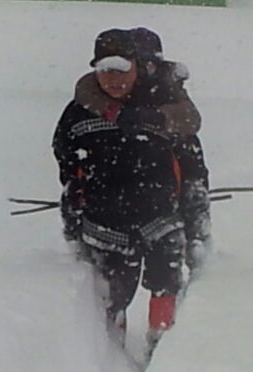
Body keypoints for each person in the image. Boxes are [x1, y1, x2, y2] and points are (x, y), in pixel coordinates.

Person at [52, 29, 191, 348]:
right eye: (106, 70)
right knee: (113, 295)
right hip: (105, 224)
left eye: (122, 70)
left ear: (136, 66)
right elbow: (66, 161)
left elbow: (189, 149)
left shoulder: (159, 103)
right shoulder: (78, 114)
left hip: (160, 217)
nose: (114, 79)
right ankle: (112, 353)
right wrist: (74, 212)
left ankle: (162, 344)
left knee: (165, 282)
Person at [73, 27, 212, 271]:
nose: (147, 69)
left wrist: (159, 117)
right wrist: (114, 112)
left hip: (164, 166)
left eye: (151, 63)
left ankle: (196, 218)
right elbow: (85, 90)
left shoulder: (165, 83)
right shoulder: (99, 84)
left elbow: (191, 119)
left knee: (189, 151)